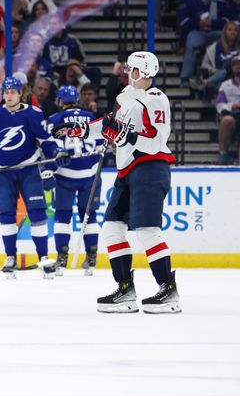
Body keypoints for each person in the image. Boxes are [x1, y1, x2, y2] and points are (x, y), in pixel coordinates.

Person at [56, 51, 180, 314]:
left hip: (149, 167)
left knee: (147, 229)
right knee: (112, 227)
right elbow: (109, 125)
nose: (127, 74)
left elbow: (156, 141)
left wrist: (125, 136)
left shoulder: (156, 99)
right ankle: (125, 289)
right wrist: (82, 130)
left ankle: (168, 290)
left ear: (144, 73)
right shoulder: (125, 97)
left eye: (132, 70)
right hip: (127, 170)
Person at [0, 76, 69, 279]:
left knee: (38, 213)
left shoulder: (33, 114)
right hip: (3, 172)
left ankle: (43, 257)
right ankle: (10, 257)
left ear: (20, 93)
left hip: (29, 170)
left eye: (13, 92)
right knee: (6, 215)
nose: (9, 95)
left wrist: (56, 155)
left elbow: (46, 141)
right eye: (6, 92)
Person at [44, 85, 103, 276]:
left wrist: (55, 158)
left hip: (65, 175)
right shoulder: (91, 117)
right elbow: (102, 144)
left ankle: (61, 259)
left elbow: (50, 144)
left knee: (62, 215)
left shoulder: (55, 119)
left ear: (60, 101)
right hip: (90, 174)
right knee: (90, 215)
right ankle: (92, 258)